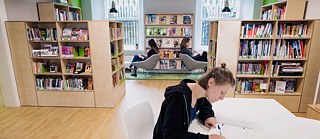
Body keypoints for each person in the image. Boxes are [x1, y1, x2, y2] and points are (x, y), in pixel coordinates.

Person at [153, 63, 235, 139]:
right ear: (210, 82)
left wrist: (208, 116)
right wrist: (207, 138)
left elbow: (205, 106)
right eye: (222, 92)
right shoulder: (178, 97)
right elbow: (171, 135)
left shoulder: (199, 94)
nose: (222, 98)